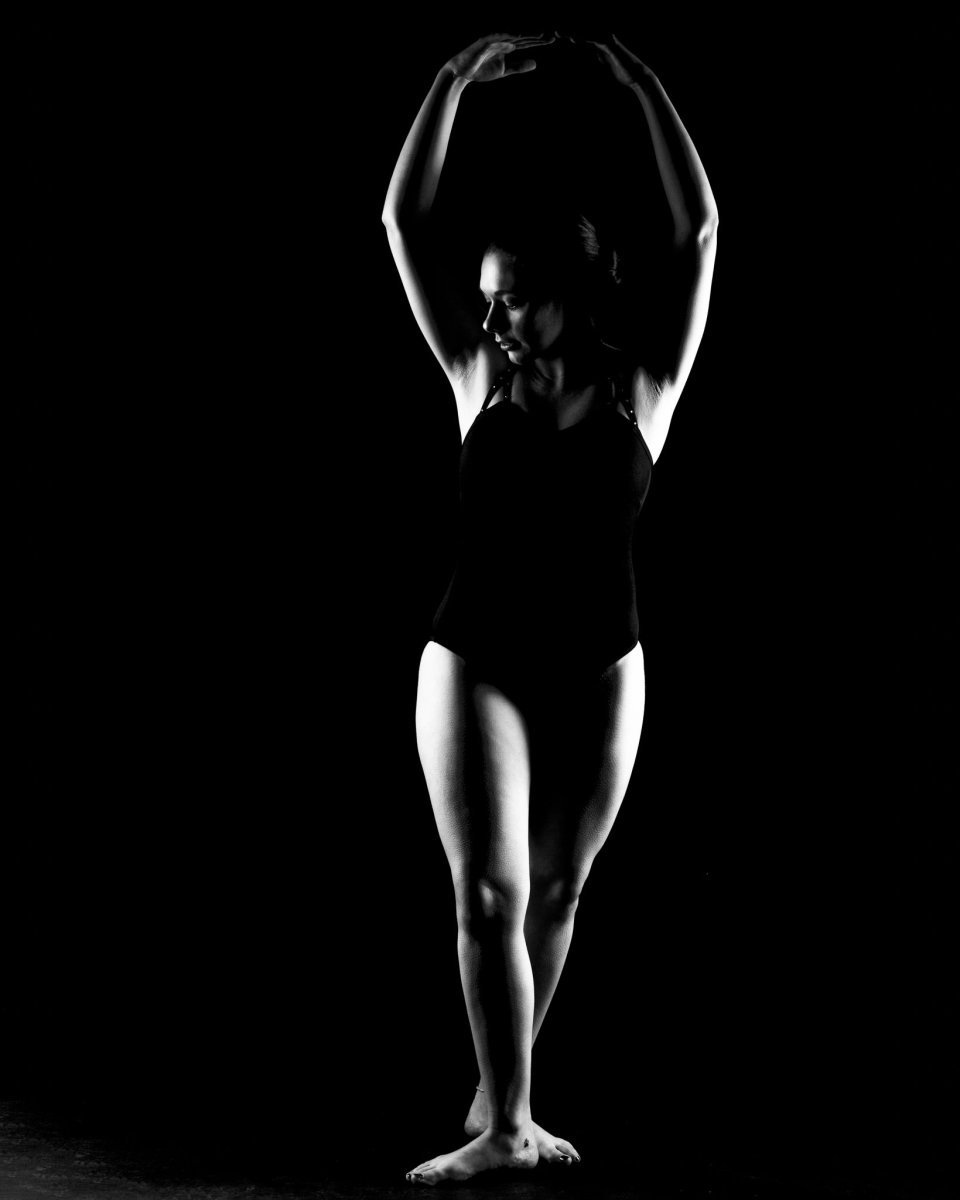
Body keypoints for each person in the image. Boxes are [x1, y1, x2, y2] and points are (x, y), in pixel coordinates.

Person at [381, 30, 719, 1186]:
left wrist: (643, 83)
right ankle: (510, 1129)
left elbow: (700, 231)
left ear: (572, 296)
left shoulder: (646, 390)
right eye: (488, 303)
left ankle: (502, 1087)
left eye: (516, 302)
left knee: (559, 893)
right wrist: (451, 82)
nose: (495, 323)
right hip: (475, 658)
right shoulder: (475, 381)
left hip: (602, 667)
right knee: (492, 893)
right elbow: (402, 223)